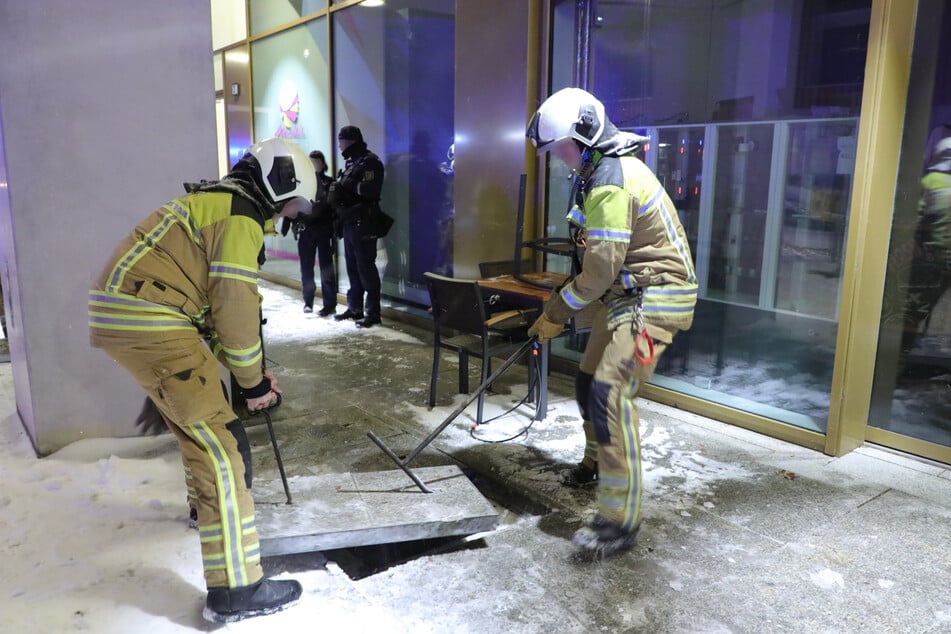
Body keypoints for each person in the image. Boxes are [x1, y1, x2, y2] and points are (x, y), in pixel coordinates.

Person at [87, 137, 316, 623]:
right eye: (294, 205)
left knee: (200, 434)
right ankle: (236, 589)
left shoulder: (219, 202)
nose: (291, 217)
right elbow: (234, 309)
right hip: (152, 319)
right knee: (223, 450)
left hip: (136, 314)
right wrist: (253, 385)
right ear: (281, 182)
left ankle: (203, 511)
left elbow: (209, 302)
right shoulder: (238, 216)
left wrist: (239, 372)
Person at [526, 88, 698, 556]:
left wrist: (555, 313)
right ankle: (594, 462)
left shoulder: (611, 181)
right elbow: (600, 263)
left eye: (562, 148)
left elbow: (599, 269)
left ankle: (619, 520)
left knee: (609, 394)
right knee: (586, 382)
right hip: (627, 295)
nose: (560, 159)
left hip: (657, 298)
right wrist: (563, 307)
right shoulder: (599, 173)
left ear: (587, 136)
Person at [901, 125, 951, 360]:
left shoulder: (931, 181)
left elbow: (914, 217)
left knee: (914, 308)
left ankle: (898, 358)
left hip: (932, 258)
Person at [329, 125, 385, 328]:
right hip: (350, 222)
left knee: (366, 268)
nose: (339, 144)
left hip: (365, 222)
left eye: (341, 140)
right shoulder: (352, 163)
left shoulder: (370, 162)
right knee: (352, 267)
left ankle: (373, 312)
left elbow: (370, 191)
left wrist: (346, 187)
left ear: (350, 141)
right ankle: (355, 308)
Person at [293, 150, 338, 316]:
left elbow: (334, 208)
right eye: (311, 162)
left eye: (317, 162)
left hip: (324, 230)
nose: (314, 165)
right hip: (307, 230)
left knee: (326, 268)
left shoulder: (329, 183)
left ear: (322, 163)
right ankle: (308, 301)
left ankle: (330, 304)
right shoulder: (302, 184)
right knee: (306, 268)